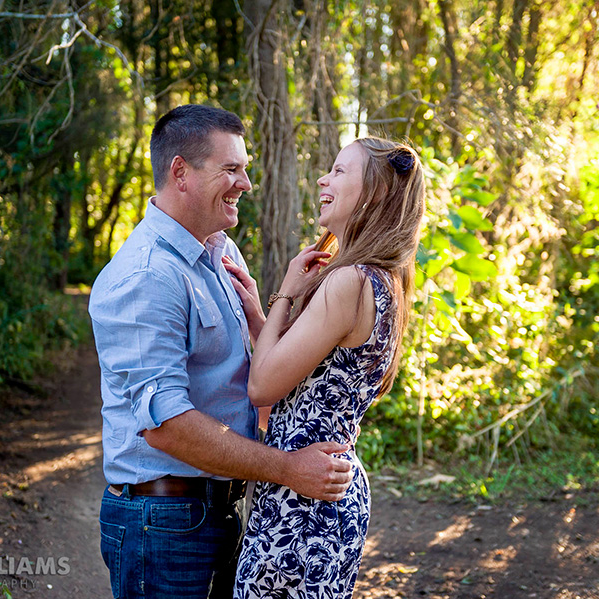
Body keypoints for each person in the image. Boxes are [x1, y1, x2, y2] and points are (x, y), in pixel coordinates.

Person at [88, 104, 354, 599]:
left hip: (220, 509)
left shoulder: (221, 251)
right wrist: (287, 468)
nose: (246, 184)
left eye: (245, 168)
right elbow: (166, 426)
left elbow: (246, 377)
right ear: (180, 172)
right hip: (162, 525)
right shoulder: (147, 276)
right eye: (231, 169)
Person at [223, 137, 425, 598]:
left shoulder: (348, 283)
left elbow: (262, 387)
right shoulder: (382, 280)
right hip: (322, 496)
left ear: (373, 194)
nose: (323, 179)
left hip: (305, 503)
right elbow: (310, 376)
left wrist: (288, 293)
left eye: (338, 171)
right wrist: (262, 316)